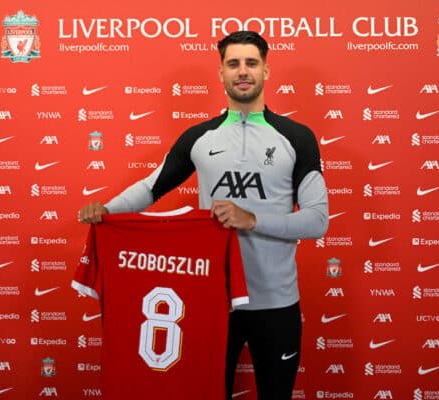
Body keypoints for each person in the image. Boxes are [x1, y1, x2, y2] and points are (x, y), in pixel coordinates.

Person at [78, 30, 329, 400]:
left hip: (276, 303)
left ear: (266, 71)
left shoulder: (297, 137)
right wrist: (107, 210)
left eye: (251, 63)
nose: (242, 71)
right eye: (233, 64)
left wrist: (253, 220)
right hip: (212, 303)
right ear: (221, 73)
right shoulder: (199, 137)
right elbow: (150, 187)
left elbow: (317, 220)